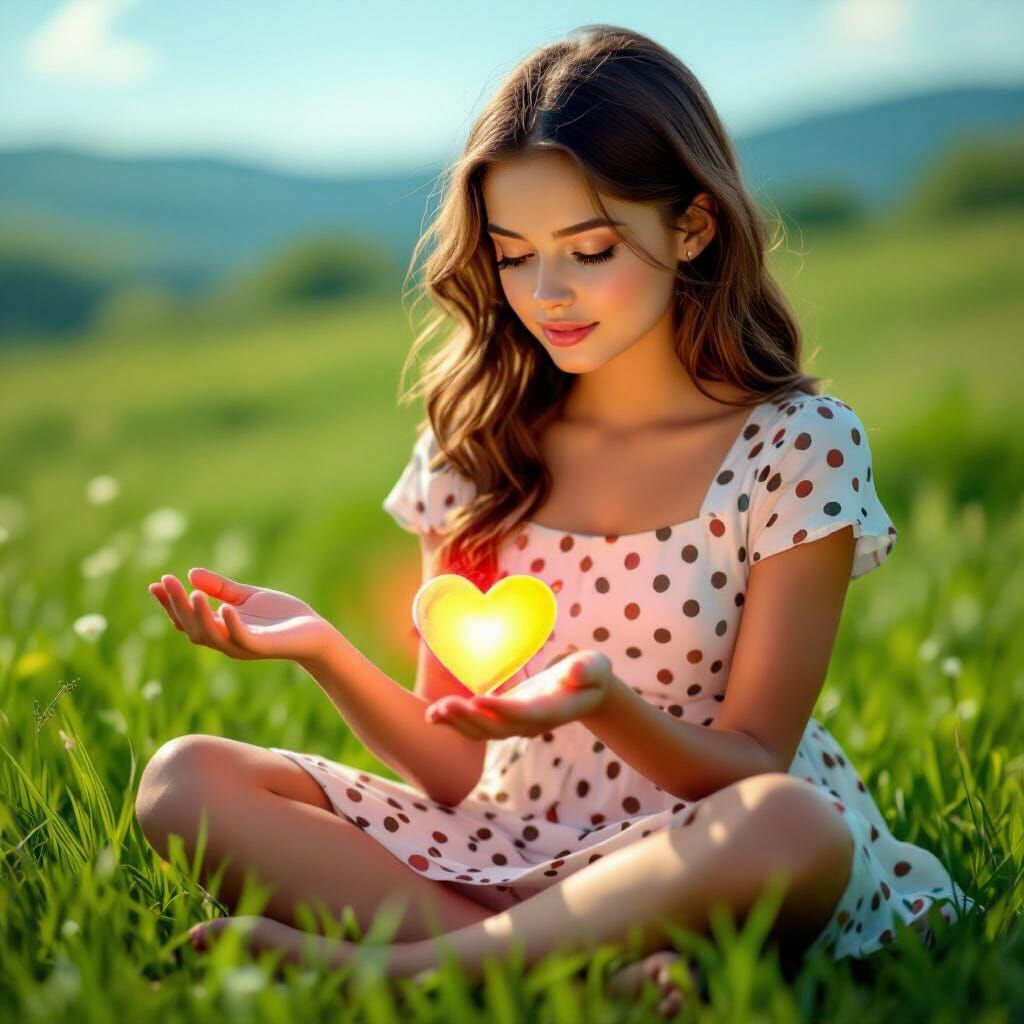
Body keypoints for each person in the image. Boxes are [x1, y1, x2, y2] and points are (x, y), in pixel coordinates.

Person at [135, 23, 979, 1011]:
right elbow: (455, 768)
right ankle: (582, 974)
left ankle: (404, 971)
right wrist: (323, 649)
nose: (548, 294)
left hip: (702, 849)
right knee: (183, 781)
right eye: (513, 256)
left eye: (589, 249)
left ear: (694, 227)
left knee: (793, 826)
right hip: (506, 842)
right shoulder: (476, 448)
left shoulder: (796, 447)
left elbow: (754, 757)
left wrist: (602, 703)